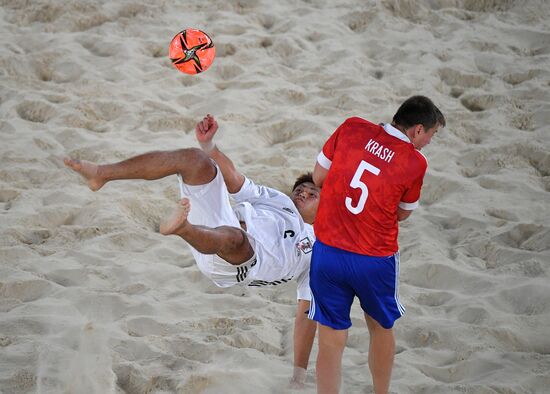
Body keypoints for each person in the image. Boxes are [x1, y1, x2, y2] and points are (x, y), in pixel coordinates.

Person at [64, 114, 320, 388]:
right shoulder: (279, 201)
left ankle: (181, 227)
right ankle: (102, 174)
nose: (301, 193)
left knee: (237, 238)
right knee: (194, 159)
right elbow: (234, 180)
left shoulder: (320, 249)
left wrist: (299, 374)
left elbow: (306, 313)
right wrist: (209, 145)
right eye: (300, 189)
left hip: (235, 263)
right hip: (220, 222)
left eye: (312, 194)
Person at [309, 96, 446, 394]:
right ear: (417, 130)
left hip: (328, 250)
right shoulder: (415, 161)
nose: (427, 144)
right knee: (380, 328)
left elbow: (318, 177)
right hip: (374, 258)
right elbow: (402, 214)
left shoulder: (351, 127)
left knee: (330, 338)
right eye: (431, 136)